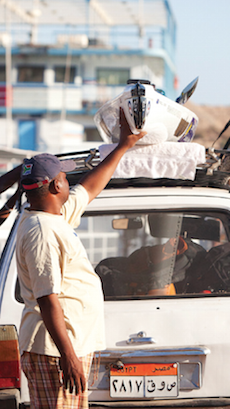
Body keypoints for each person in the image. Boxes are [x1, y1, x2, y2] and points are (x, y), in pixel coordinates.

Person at [15, 109, 145, 409]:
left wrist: (124, 146)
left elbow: (89, 187)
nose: (67, 179)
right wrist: (69, 357)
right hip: (55, 352)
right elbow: (48, 300)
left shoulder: (49, 214)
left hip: (64, 348)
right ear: (55, 186)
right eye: (63, 175)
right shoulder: (42, 231)